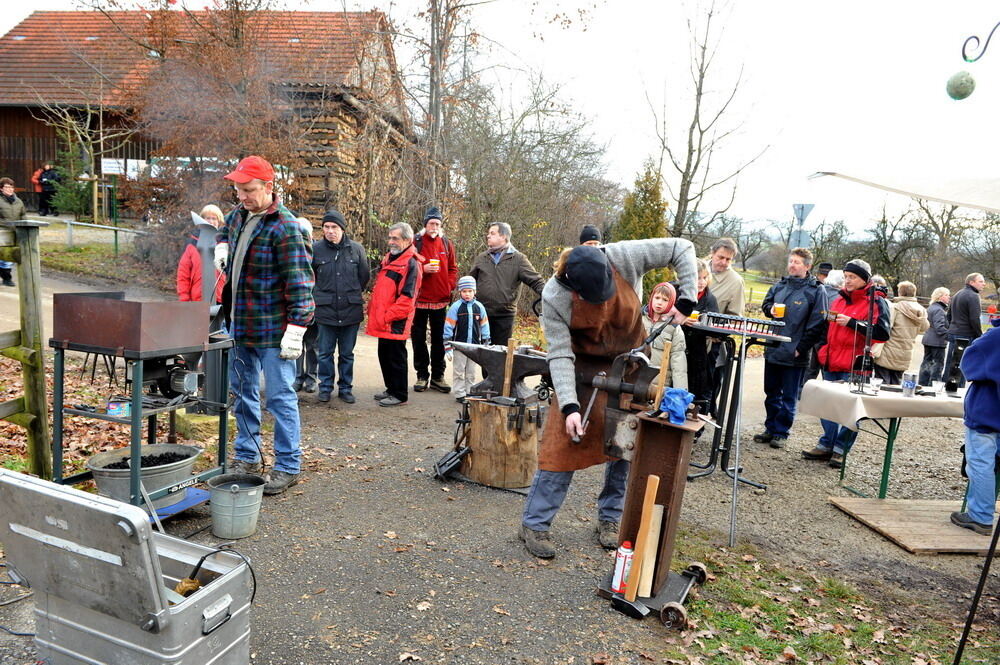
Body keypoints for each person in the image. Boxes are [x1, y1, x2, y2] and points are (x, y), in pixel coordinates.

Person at [518, 238, 698, 559]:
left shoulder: (625, 257)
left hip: (630, 365)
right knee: (562, 444)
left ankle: (610, 520)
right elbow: (559, 354)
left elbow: (680, 248)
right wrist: (571, 407)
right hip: (582, 370)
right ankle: (534, 523)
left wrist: (687, 298)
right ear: (573, 289)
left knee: (624, 447)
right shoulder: (554, 295)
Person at [213, 156, 315, 495]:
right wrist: (222, 244)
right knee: (242, 395)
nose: (242, 196)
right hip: (240, 327)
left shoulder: (285, 227)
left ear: (268, 188)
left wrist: (297, 330)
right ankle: (247, 457)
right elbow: (224, 227)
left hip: (274, 332)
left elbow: (301, 284)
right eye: (238, 190)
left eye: (249, 190)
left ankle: (287, 465)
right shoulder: (240, 216)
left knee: (280, 398)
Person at [802, 259, 890, 469]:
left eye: (853, 277)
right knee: (827, 406)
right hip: (831, 360)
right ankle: (827, 444)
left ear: (864, 280)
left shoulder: (876, 301)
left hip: (855, 365)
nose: (848, 281)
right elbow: (826, 327)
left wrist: (852, 323)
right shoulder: (838, 299)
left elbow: (882, 332)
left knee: (851, 411)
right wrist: (823, 349)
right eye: (846, 276)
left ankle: (841, 449)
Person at [755, 248, 827, 448]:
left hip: (795, 352)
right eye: (791, 261)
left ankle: (781, 432)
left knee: (789, 395)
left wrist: (801, 348)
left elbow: (818, 323)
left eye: (797, 262)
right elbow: (766, 304)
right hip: (773, 347)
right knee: (771, 392)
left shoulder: (815, 290)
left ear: (807, 266)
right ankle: (770, 428)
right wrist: (770, 310)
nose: (792, 265)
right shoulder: (780, 285)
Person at [312, 209, 369, 404]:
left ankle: (345, 388)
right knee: (325, 352)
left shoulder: (356, 249)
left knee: (347, 354)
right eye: (326, 227)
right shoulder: (315, 250)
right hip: (325, 311)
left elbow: (364, 277)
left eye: (334, 227)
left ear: (342, 229)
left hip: (350, 310)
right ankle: (325, 387)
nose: (330, 231)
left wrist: (349, 294)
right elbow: (311, 278)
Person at [949, 316, 1000, 536]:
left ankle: (980, 516)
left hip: (988, 411)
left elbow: (968, 364)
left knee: (980, 464)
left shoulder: (995, 337)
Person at [367, 222, 423, 407]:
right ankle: (391, 389)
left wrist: (387, 316)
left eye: (395, 238)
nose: (391, 241)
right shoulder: (390, 258)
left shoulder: (411, 263)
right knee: (385, 355)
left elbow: (408, 299)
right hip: (385, 320)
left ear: (407, 240)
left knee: (396, 357)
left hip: (395, 320)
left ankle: (399, 394)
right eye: (390, 237)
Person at [468, 222, 545, 347]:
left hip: (504, 315)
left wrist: (549, 295)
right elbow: (469, 282)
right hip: (482, 313)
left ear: (504, 236)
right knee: (484, 354)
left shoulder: (519, 259)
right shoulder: (482, 258)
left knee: (501, 355)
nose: (488, 236)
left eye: (492, 233)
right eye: (488, 233)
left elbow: (536, 280)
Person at [411, 206, 458, 394]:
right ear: (425, 224)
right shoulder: (415, 242)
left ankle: (438, 376)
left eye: (437, 224)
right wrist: (423, 269)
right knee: (418, 339)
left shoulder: (446, 244)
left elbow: (453, 268)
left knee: (440, 339)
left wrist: (449, 285)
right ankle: (422, 375)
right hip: (419, 299)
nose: (434, 227)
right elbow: (407, 267)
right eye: (431, 223)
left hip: (441, 300)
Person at [705, 238, 745, 416]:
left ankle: (706, 413)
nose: (723, 262)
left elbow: (735, 316)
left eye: (728, 259)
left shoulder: (735, 282)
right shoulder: (697, 269)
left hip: (713, 340)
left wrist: (719, 333)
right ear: (712, 253)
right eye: (720, 257)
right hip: (685, 334)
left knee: (710, 381)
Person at [443, 276, 491, 401]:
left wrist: (486, 343)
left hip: (475, 347)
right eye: (464, 291)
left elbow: (485, 325)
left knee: (471, 372)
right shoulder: (455, 307)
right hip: (459, 347)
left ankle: (470, 393)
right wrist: (447, 347)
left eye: (470, 291)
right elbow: (448, 327)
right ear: (460, 292)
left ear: (474, 291)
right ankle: (459, 394)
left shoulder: (479, 307)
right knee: (458, 371)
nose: (467, 294)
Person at [683, 259, 719, 417]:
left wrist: (714, 332)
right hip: (674, 347)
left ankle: (695, 426)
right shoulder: (676, 291)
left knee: (698, 388)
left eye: (705, 277)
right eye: (698, 277)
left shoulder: (710, 299)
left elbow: (718, 324)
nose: (702, 282)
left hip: (698, 351)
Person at [873, 281, 928, 385]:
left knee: (882, 384)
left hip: (888, 351)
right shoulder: (922, 310)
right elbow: (924, 328)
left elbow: (886, 327)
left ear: (900, 293)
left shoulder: (895, 307)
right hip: (905, 352)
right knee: (896, 385)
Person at [291, 217, 320, 395]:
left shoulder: (318, 252)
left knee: (313, 345)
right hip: (295, 307)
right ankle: (297, 377)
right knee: (296, 345)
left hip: (314, 305)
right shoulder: (290, 252)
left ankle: (311, 378)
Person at [641, 281, 687, 389]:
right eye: (657, 298)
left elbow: (679, 362)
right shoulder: (639, 319)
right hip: (635, 379)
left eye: (665, 300)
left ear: (672, 303)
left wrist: (680, 392)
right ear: (651, 298)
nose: (659, 302)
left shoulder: (674, 327)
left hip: (659, 384)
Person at [176, 204, 226, 303]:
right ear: (201, 220)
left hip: (221, 300)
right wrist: (184, 299)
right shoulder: (192, 245)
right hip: (197, 300)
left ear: (219, 221)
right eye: (208, 218)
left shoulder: (225, 244)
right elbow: (183, 274)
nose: (211, 221)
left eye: (214, 218)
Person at [945, 273, 987, 388]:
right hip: (965, 335)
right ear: (971, 282)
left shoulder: (957, 294)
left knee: (950, 365)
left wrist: (951, 329)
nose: (984, 284)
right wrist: (980, 336)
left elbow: (948, 316)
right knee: (961, 367)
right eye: (981, 281)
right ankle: (957, 392)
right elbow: (974, 319)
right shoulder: (973, 296)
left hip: (954, 333)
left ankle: (946, 390)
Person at [918, 287, 951, 385]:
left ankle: (923, 384)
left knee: (926, 363)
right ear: (940, 297)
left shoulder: (931, 307)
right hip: (937, 342)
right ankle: (934, 386)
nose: (949, 297)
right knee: (937, 366)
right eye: (946, 295)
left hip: (928, 339)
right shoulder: (939, 310)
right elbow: (939, 327)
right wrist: (950, 337)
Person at [0, 177, 27, 287]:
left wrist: (25, 225)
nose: (10, 189)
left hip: (14, 231)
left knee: (8, 256)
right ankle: (6, 277)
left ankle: (7, 278)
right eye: (7, 187)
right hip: (2, 230)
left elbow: (23, 215)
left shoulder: (18, 201)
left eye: (11, 187)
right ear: (1, 189)